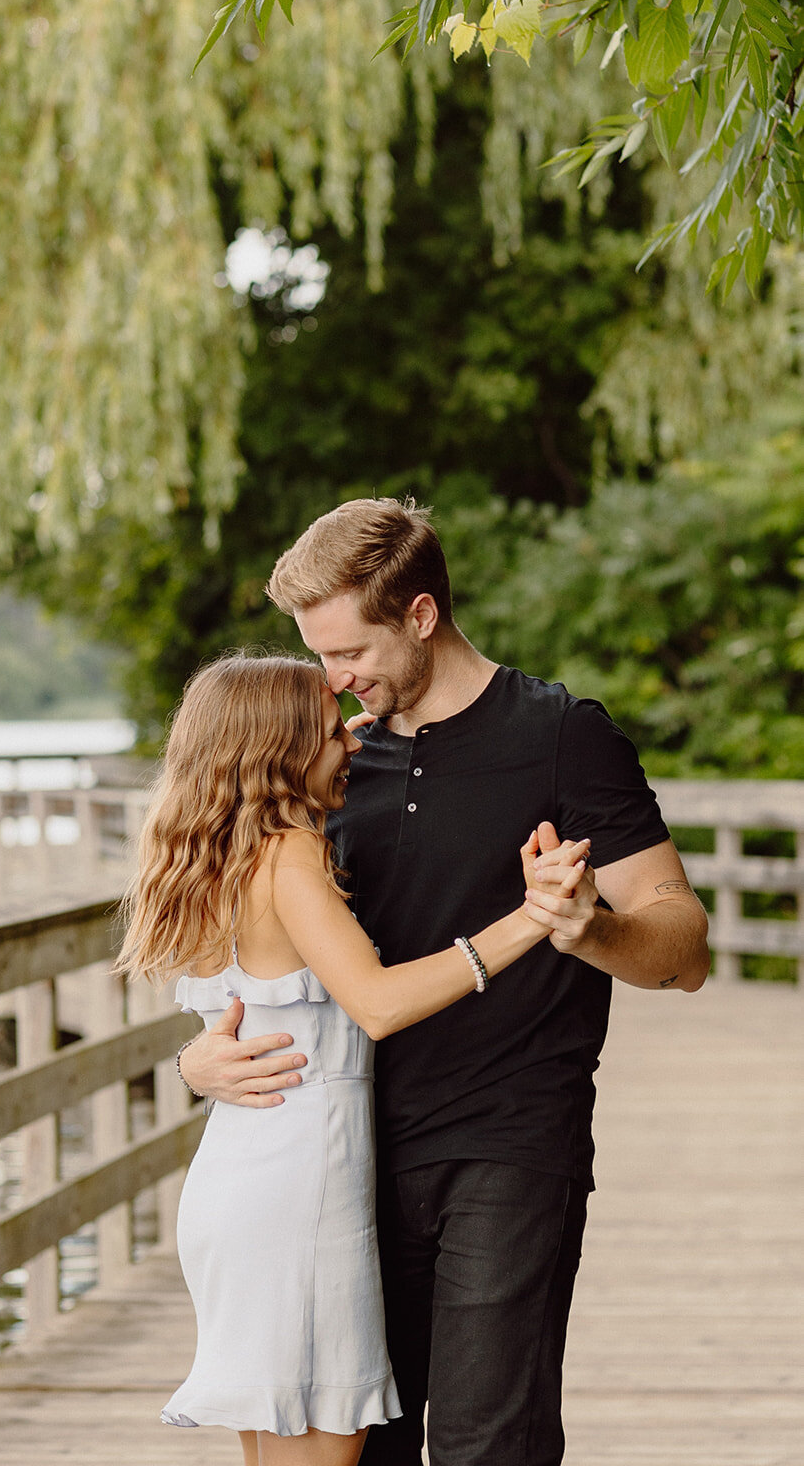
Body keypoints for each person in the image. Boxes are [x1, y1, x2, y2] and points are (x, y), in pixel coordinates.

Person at [178, 499, 710, 1466]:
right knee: (363, 1449)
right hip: (336, 1162)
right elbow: (252, 945)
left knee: (487, 1444)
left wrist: (590, 929)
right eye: (318, 658)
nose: (334, 684)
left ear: (419, 615)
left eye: (347, 654)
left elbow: (685, 948)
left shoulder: (562, 734)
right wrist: (196, 1060)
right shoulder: (326, 765)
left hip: (508, 1142)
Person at [115, 651, 596, 1466]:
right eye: (331, 728)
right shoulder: (287, 852)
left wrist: (186, 1067)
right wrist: (529, 918)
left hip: (239, 1178)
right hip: (300, 1191)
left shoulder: (213, 857)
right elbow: (375, 1003)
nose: (352, 740)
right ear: (282, 746)